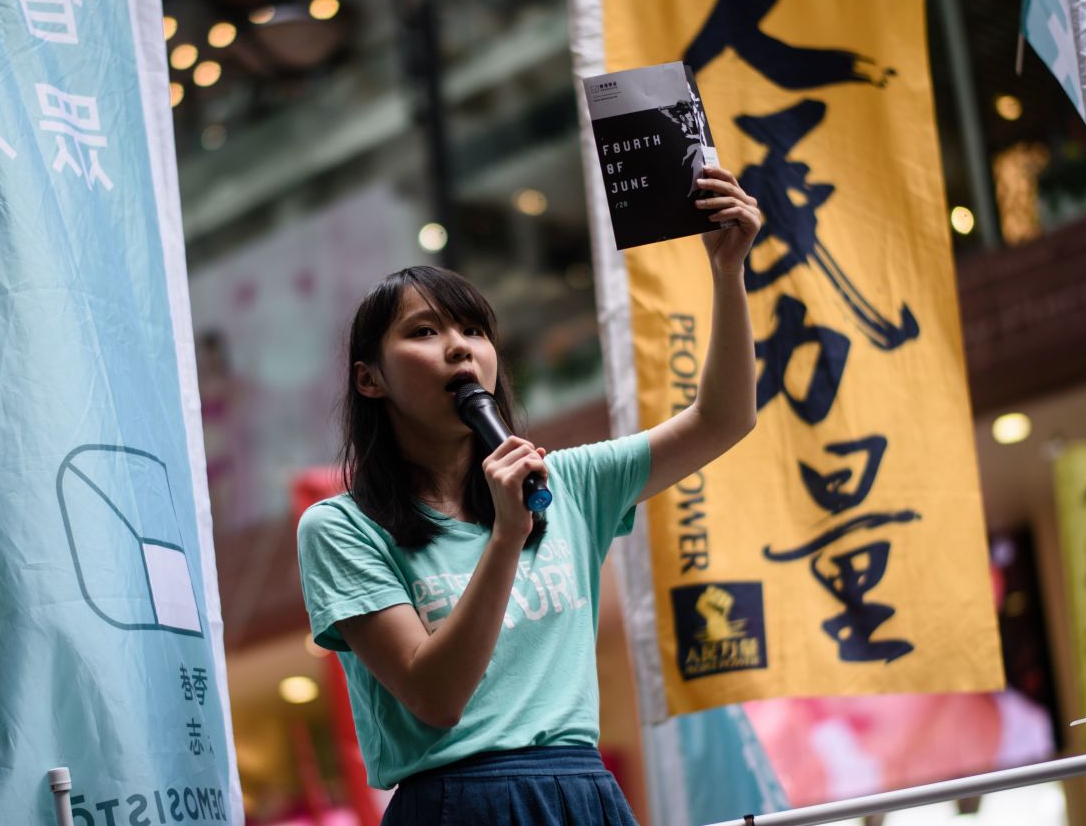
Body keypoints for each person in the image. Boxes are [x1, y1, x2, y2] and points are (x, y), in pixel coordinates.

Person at [297, 165, 761, 825]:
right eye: (425, 332)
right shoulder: (342, 526)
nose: (460, 347)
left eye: (474, 330)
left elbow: (724, 418)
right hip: (457, 803)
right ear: (370, 380)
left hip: (582, 792)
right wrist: (508, 536)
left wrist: (729, 271)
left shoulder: (563, 483)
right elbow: (434, 696)